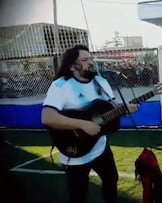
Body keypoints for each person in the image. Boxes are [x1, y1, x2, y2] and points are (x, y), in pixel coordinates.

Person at [41, 45, 139, 203]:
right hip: (75, 153)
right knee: (78, 196)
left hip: (100, 147)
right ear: (72, 65)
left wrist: (125, 110)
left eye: (91, 58)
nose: (91, 62)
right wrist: (82, 124)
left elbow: (111, 110)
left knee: (111, 180)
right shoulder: (60, 85)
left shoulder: (100, 82)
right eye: (85, 60)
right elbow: (47, 117)